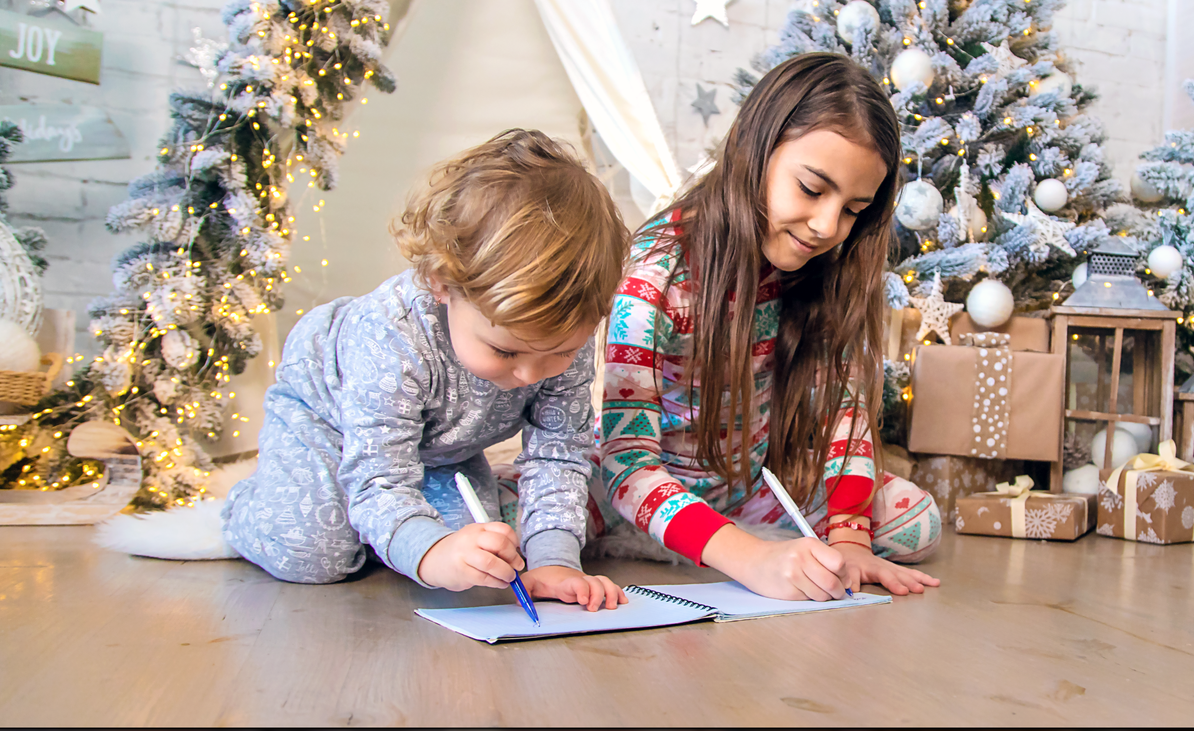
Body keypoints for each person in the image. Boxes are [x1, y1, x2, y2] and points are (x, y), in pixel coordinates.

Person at [220, 129, 629, 610]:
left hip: (441, 447)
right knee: (314, 555)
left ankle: (379, 530)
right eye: (506, 352)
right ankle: (248, 506)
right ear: (441, 284)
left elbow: (558, 455)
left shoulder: (566, 327)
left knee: (481, 559)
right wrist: (432, 554)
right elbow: (380, 475)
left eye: (558, 353)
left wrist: (554, 561)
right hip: (329, 423)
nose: (530, 375)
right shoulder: (391, 335)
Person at [599, 53, 942, 601]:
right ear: (753, 151)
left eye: (854, 209)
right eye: (811, 188)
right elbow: (626, 464)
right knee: (505, 522)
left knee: (913, 520)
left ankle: (740, 540)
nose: (829, 226)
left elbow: (845, 413)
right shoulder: (655, 276)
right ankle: (688, 543)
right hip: (639, 497)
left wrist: (851, 537)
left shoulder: (824, 271)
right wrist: (751, 558)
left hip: (750, 493)